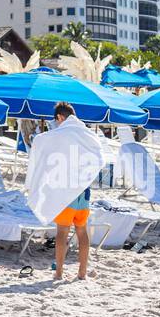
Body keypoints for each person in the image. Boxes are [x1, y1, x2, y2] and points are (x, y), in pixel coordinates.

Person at [50, 102, 92, 282]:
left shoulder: (63, 134)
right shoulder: (86, 133)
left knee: (62, 231)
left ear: (60, 117)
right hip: (84, 189)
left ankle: (59, 273)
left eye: (56, 120)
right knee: (81, 230)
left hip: (68, 189)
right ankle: (82, 273)